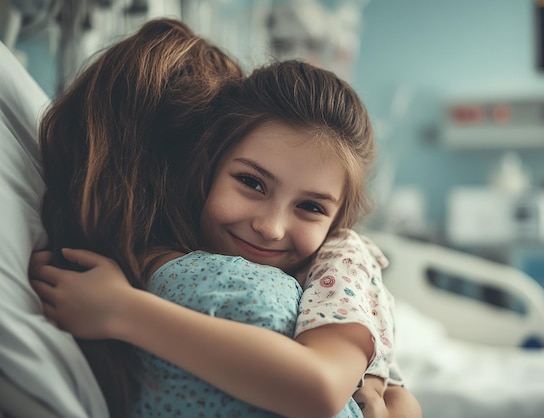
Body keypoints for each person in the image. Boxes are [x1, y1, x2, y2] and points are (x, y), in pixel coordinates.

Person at [30, 18, 421, 418]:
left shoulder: (342, 262)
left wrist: (122, 310)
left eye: (312, 207)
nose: (270, 227)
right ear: (208, 165)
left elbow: (342, 390)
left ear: (339, 220)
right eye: (252, 182)